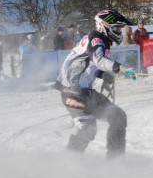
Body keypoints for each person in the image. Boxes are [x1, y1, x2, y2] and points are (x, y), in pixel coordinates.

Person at [55, 9, 133, 158]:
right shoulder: (96, 39)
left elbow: (88, 65)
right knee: (88, 128)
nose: (119, 31)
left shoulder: (99, 40)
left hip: (86, 92)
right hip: (72, 92)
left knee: (118, 116)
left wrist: (104, 75)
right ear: (105, 26)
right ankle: (69, 160)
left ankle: (115, 159)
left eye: (120, 28)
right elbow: (99, 60)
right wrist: (121, 68)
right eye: (117, 28)